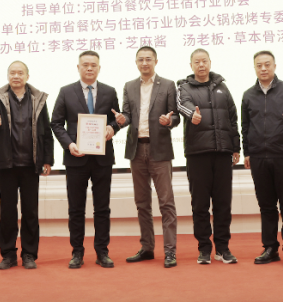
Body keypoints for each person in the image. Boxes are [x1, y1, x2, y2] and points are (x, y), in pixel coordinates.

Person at [50, 50, 121, 269]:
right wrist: (69, 144)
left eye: (93, 65)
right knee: (76, 209)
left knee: (102, 208)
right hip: (76, 158)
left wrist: (113, 128)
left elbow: (117, 119)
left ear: (99, 68)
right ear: (78, 67)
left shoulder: (109, 91)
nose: (89, 68)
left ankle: (102, 252)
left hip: (102, 159)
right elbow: (56, 123)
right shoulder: (66, 92)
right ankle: (77, 253)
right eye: (85, 65)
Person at [241, 51, 283, 268]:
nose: (263, 68)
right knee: (266, 205)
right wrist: (247, 152)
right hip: (258, 157)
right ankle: (270, 248)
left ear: (274, 66)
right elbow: (245, 127)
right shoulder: (248, 95)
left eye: (267, 64)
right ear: (254, 68)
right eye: (259, 65)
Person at [0, 60, 53, 270]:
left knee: (30, 211)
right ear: (8, 76)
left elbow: (46, 131)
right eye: (12, 73)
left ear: (27, 76)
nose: (16, 76)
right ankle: (8, 255)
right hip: (8, 164)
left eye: (20, 73)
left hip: (31, 164)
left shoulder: (38, 99)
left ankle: (29, 254)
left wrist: (47, 159)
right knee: (8, 211)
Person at [177, 48, 241, 265]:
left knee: (223, 204)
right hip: (197, 154)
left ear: (210, 63)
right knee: (200, 205)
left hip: (222, 153)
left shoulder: (223, 88)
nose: (201, 65)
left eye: (204, 61)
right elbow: (182, 105)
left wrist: (235, 147)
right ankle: (204, 248)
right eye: (197, 62)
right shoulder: (184, 87)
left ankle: (223, 248)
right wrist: (192, 114)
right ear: (191, 66)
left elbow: (232, 118)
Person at [119, 46, 179, 268]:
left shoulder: (168, 85)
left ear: (155, 61)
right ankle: (147, 248)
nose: (144, 63)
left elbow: (176, 116)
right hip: (137, 150)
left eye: (148, 59)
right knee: (142, 203)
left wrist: (169, 121)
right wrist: (121, 120)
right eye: (140, 59)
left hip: (159, 150)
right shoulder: (129, 86)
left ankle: (170, 251)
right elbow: (126, 115)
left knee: (166, 203)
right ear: (136, 62)